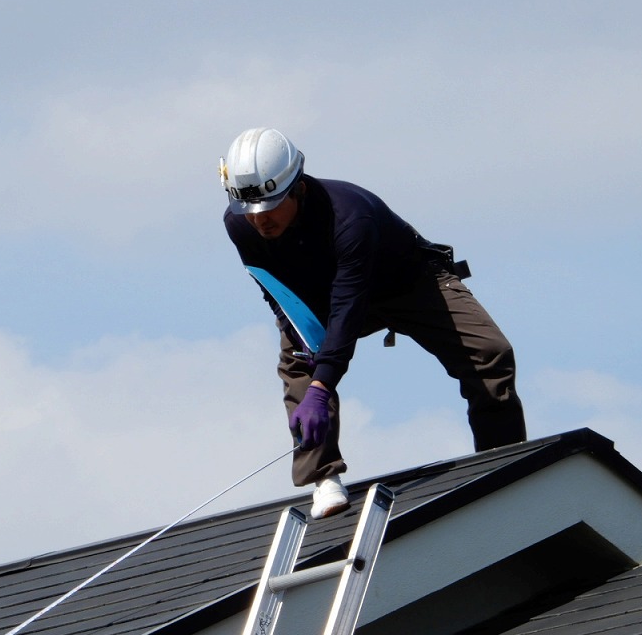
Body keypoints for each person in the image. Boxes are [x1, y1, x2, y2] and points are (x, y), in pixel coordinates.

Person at [220, 127, 526, 518]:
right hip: (324, 295)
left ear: (297, 188)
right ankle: (323, 477)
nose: (260, 220)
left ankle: (501, 461)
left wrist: (324, 382)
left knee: (490, 352)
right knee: (298, 359)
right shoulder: (238, 224)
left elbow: (349, 303)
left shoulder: (350, 215)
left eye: (270, 206)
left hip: (409, 282)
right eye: (252, 210)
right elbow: (274, 288)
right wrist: (299, 336)